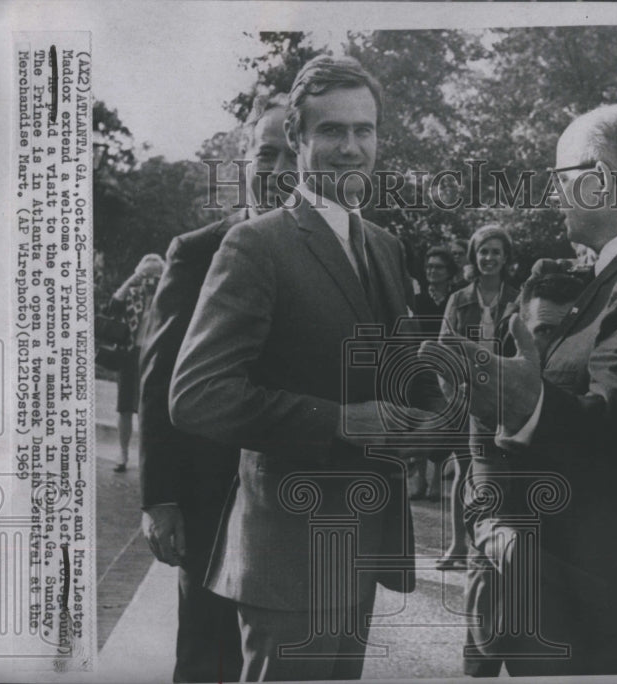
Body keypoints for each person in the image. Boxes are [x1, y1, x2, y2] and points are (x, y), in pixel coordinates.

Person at [429, 104, 617, 675]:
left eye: (559, 179)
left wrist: (530, 404)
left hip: (611, 624)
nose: (553, 195)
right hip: (591, 612)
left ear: (600, 178)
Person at [169, 56, 425, 681]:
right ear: (296, 137)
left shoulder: (385, 246)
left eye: (364, 130)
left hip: (361, 548)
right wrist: (340, 420)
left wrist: (447, 390)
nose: (351, 148)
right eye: (332, 131)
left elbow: (392, 377)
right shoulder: (256, 244)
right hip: (286, 560)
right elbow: (198, 394)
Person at [137, 95, 295, 683]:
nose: (278, 170)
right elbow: (159, 378)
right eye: (266, 153)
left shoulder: (322, 252)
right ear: (243, 159)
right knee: (207, 658)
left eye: (292, 155)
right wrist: (160, 498)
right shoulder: (197, 251)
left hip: (289, 505)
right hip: (211, 500)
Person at [460, 260, 585, 676]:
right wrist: (506, 542)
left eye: (567, 332)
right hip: (501, 556)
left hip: (562, 572)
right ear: (519, 331)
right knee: (482, 659)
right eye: (543, 331)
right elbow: (485, 497)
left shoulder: (593, 393)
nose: (553, 346)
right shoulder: (494, 390)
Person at [436, 224, 518, 572]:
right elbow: (444, 350)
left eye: (496, 252)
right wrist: (454, 395)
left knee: (499, 471)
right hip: (465, 395)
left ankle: (489, 546)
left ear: (506, 257)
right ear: (474, 256)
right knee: (464, 469)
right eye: (483, 251)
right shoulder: (459, 299)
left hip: (504, 395)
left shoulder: (517, 298)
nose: (489, 258)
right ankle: (458, 544)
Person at [408, 245, 459, 501]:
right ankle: (420, 479)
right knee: (420, 420)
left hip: (447, 369)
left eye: (438, 267)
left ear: (449, 272)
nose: (432, 271)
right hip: (419, 367)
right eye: (429, 267)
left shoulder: (455, 300)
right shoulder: (417, 301)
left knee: (445, 421)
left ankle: (437, 477)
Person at [108, 253, 164, 473]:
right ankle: (122, 454)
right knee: (124, 407)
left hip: (155, 356)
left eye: (155, 276)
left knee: (149, 409)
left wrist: (164, 282)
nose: (150, 281)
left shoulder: (166, 296)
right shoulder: (133, 294)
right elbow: (113, 306)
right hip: (131, 354)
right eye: (146, 275)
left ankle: (148, 458)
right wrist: (134, 279)